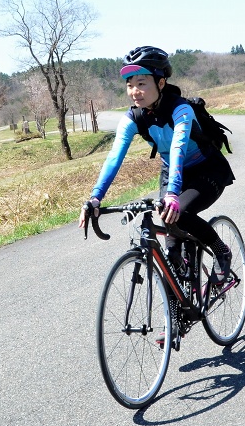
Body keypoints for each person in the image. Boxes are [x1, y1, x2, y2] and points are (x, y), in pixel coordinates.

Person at [78, 46, 236, 287]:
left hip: (206, 170)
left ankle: (221, 251)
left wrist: (172, 193)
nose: (134, 91)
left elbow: (178, 148)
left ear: (161, 83)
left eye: (142, 83)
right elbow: (114, 157)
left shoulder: (181, 110)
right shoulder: (133, 118)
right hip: (171, 173)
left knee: (179, 214)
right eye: (130, 84)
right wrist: (95, 197)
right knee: (172, 256)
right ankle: (179, 314)